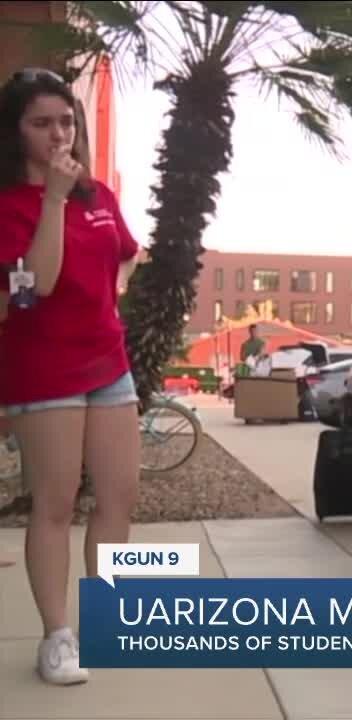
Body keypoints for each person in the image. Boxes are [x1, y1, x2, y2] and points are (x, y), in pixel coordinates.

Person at [0, 68, 141, 685]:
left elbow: (125, 258)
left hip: (108, 363)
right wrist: (54, 200)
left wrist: (109, 305)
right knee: (55, 504)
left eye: (66, 120)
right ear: (15, 133)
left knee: (118, 498)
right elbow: (39, 285)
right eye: (41, 123)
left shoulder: (101, 195)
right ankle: (57, 637)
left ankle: (108, 624)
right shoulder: (10, 204)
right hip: (44, 369)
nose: (59, 134)